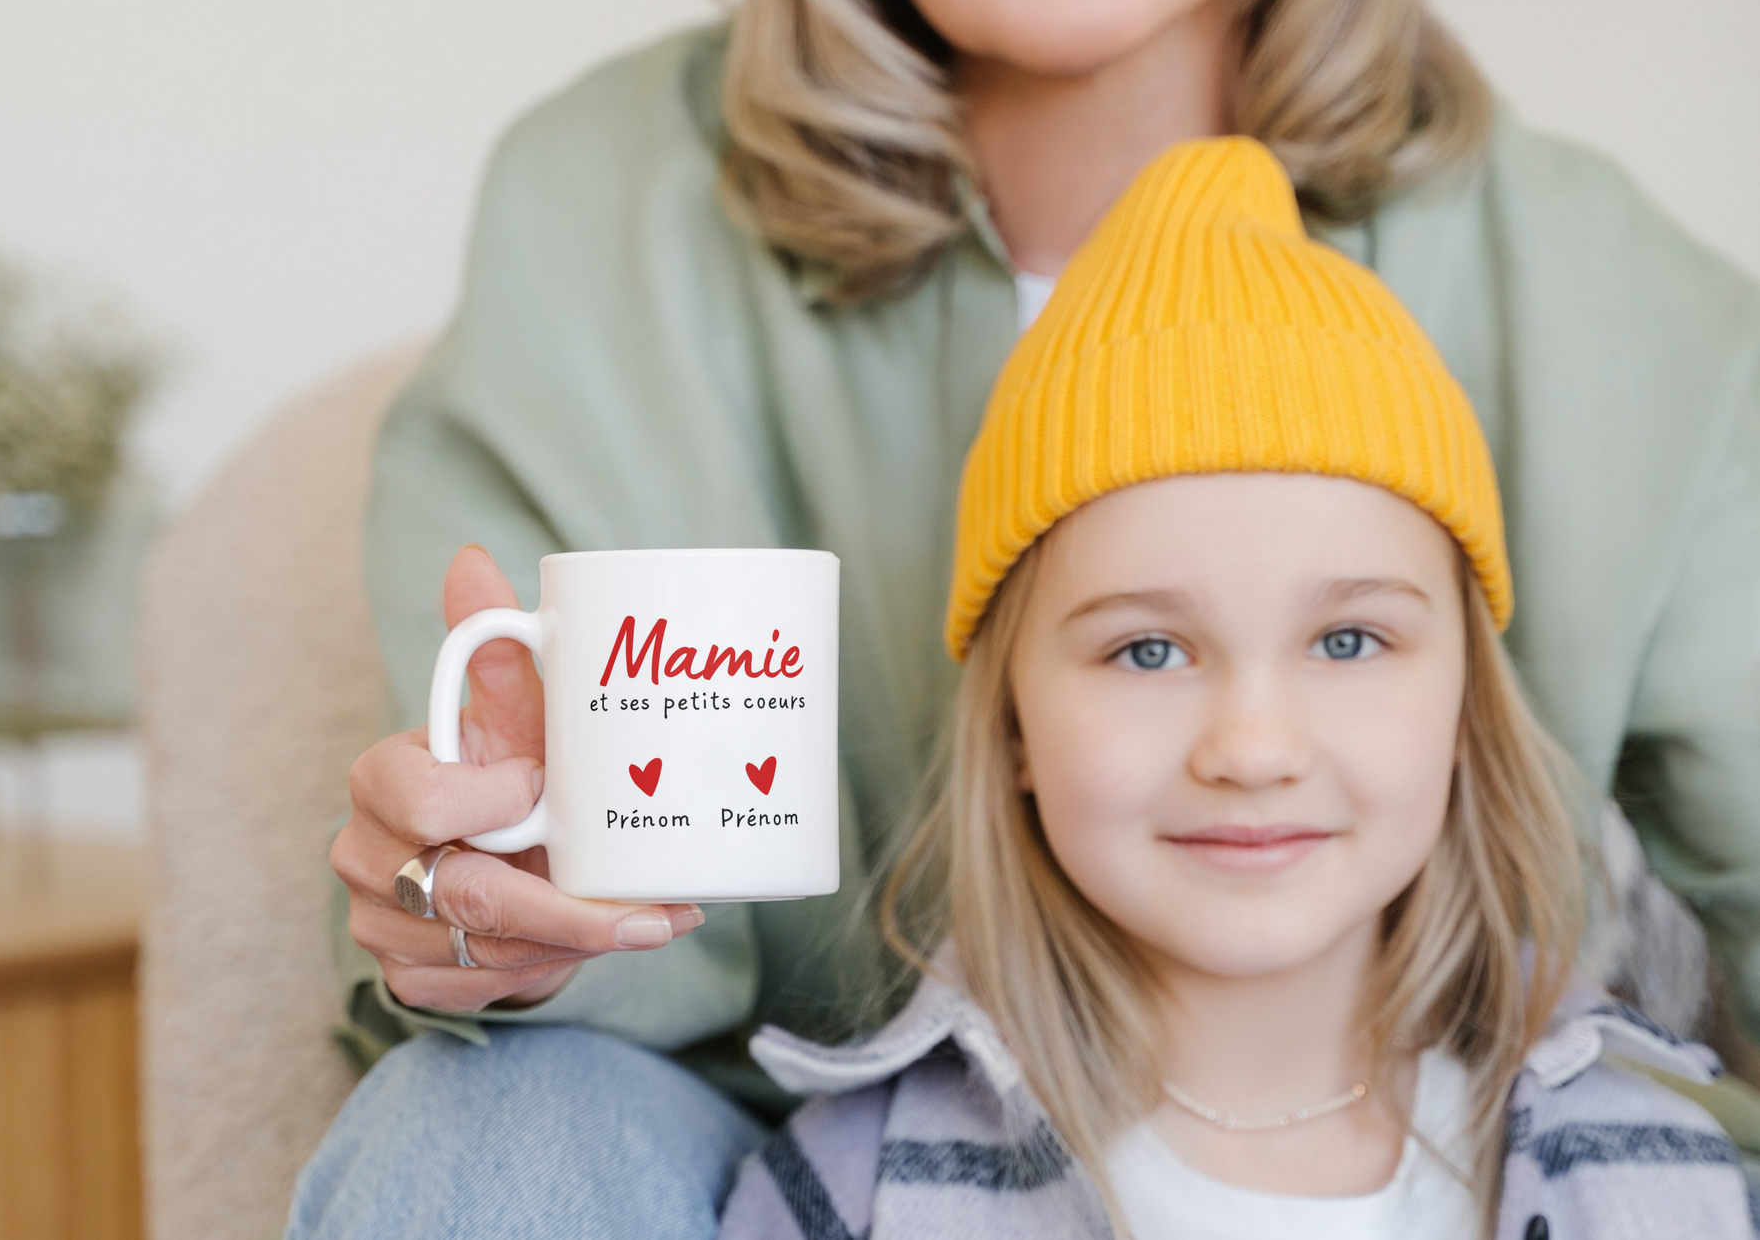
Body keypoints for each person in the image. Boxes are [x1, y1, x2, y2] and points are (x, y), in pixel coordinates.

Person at [288, 0, 1760, 1240]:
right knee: (482, 1133)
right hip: (787, 1172)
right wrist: (489, 918)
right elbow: (616, 978)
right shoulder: (614, 224)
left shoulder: (1611, 300)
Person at [720, 137, 1757, 1239]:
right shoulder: (853, 1191)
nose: (1253, 746)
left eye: (1348, 640)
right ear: (1015, 721)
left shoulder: (1664, 1179)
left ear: (1463, 706)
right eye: (1148, 651)